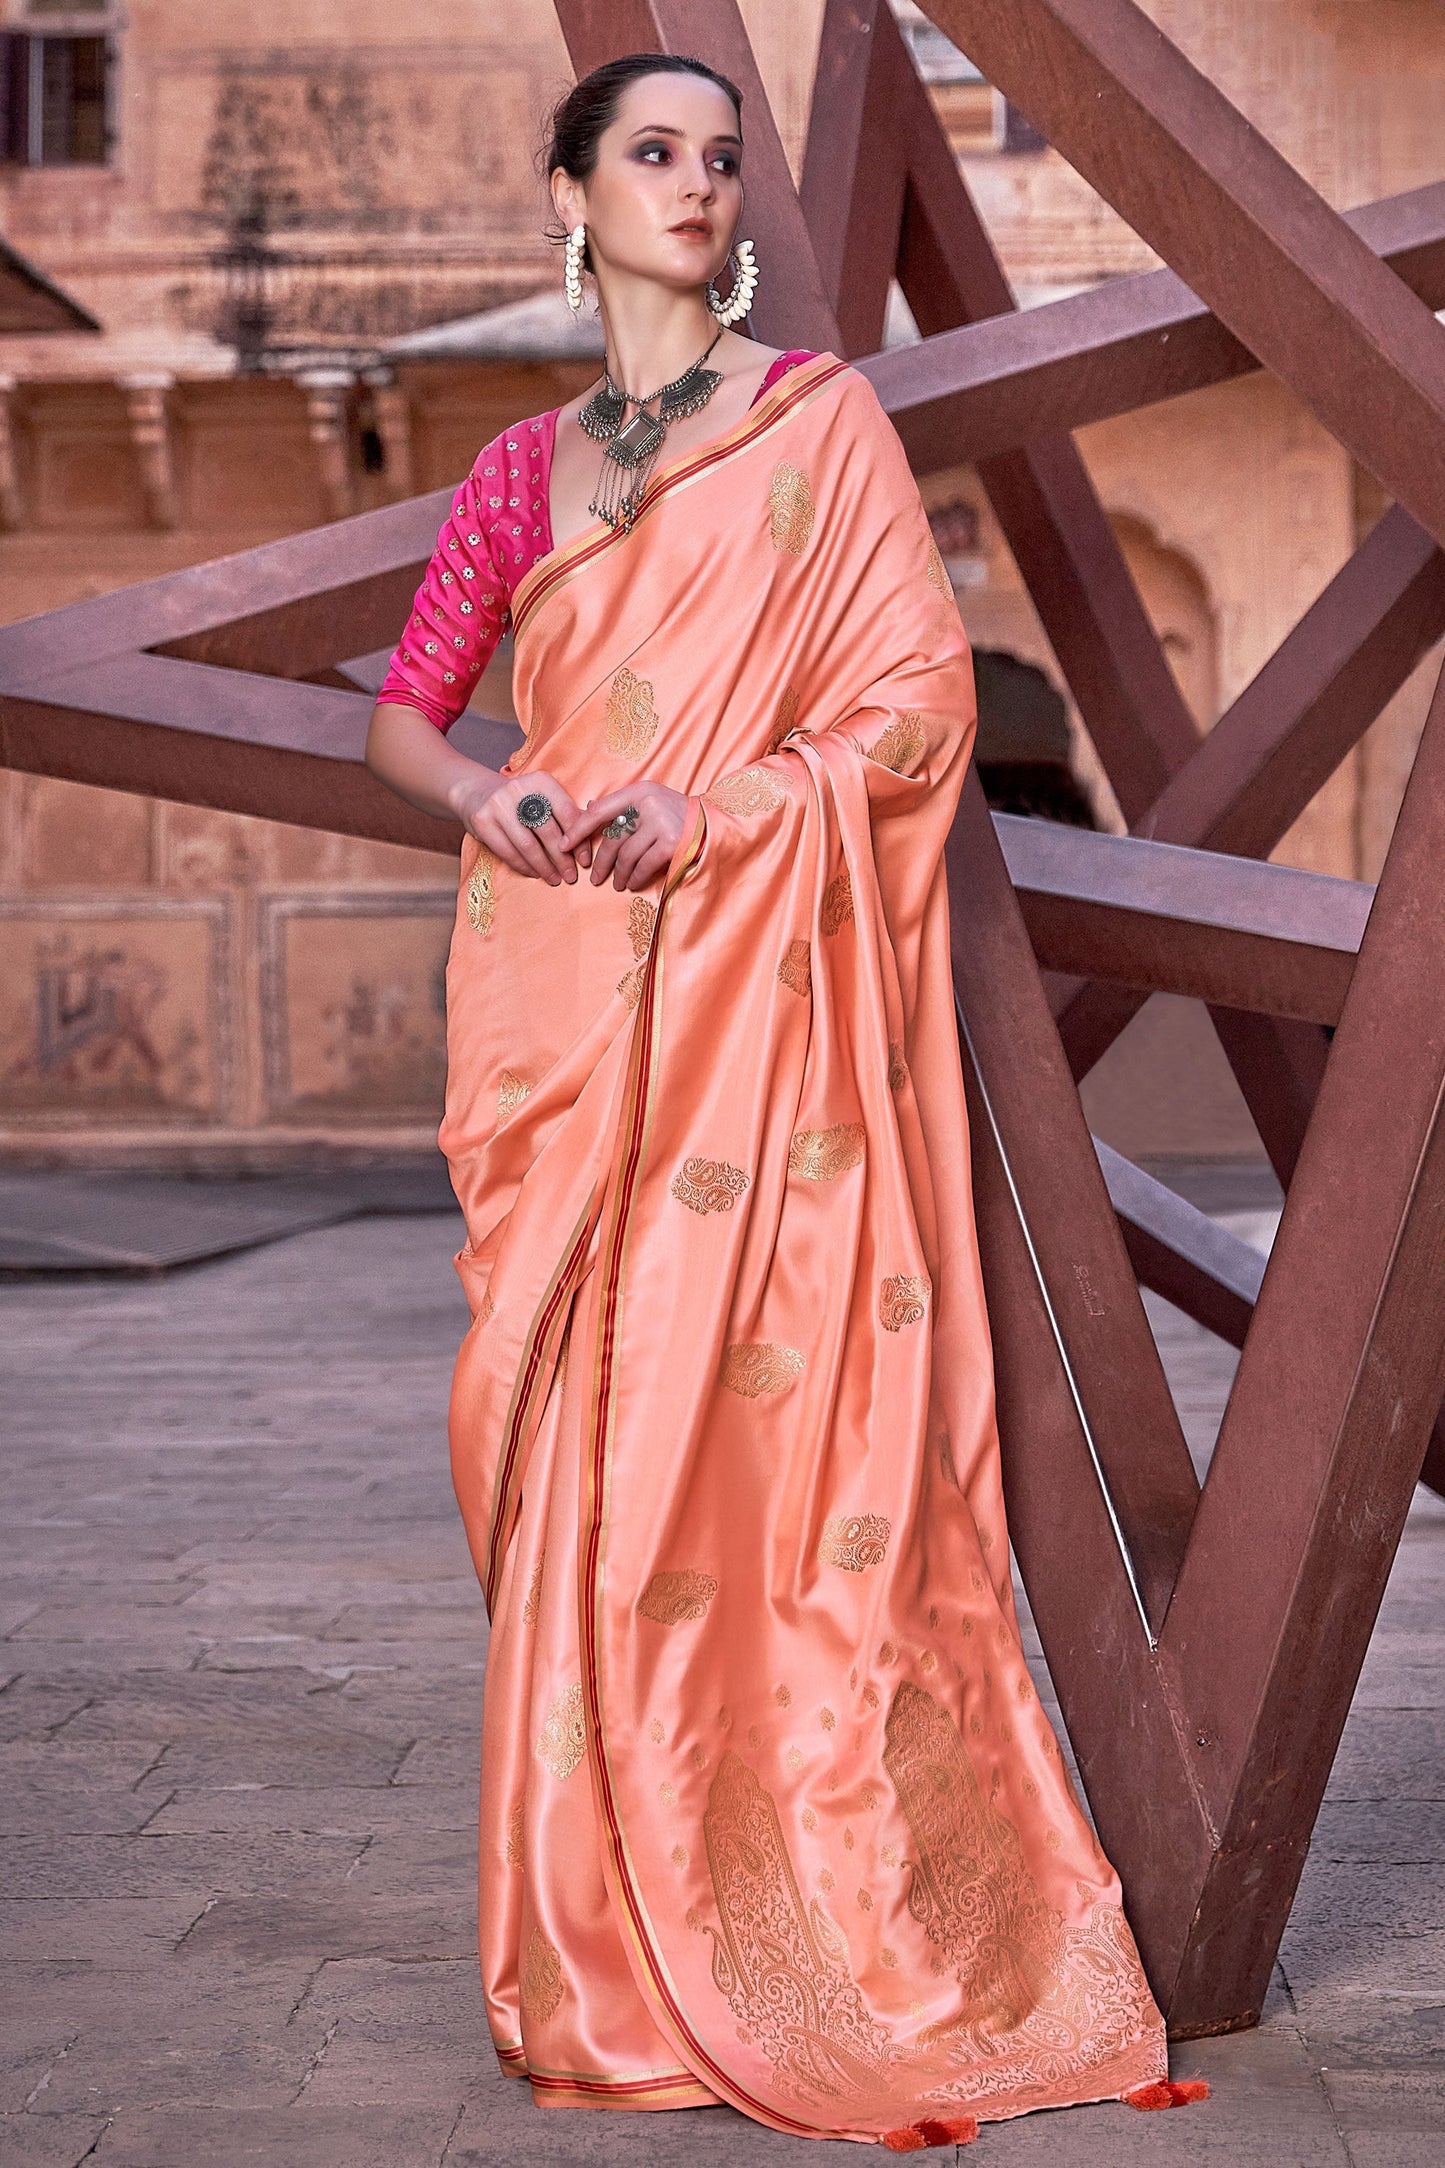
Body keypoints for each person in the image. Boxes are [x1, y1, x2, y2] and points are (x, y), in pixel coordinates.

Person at [366, 50, 1197, 2150]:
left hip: (761, 997)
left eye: (723, 160)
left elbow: (912, 711)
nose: (700, 186)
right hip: (571, 1011)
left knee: (763, 1461)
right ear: (568, 189)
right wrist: (499, 790)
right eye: (654, 153)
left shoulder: (816, 428)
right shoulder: (514, 478)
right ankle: (609, 1943)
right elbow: (407, 715)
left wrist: (716, 801)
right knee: (573, 1455)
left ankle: (809, 1916)